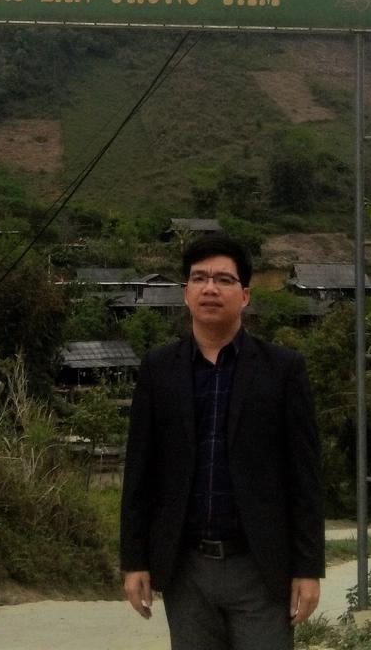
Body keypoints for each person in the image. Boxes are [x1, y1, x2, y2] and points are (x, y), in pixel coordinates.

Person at [120, 233, 324, 650]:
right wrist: (134, 560)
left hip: (260, 568)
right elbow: (140, 472)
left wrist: (308, 568)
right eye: (199, 278)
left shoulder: (283, 369)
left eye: (224, 280)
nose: (210, 288)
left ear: (245, 295)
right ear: (186, 293)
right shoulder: (159, 369)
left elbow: (304, 476)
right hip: (186, 570)